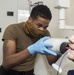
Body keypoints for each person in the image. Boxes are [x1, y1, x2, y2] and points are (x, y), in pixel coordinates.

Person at [0, 5, 60, 75]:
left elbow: (51, 62)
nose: (42, 30)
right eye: (39, 25)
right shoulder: (13, 29)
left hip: (29, 72)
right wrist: (31, 50)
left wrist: (60, 50)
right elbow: (7, 63)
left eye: (45, 27)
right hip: (10, 72)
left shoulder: (45, 33)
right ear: (30, 19)